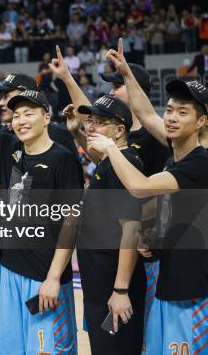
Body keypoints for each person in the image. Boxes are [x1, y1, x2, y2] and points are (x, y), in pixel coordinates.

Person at [0, 48, 82, 354]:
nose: (21, 120)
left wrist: (53, 278)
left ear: (47, 117)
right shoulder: (9, 144)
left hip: (45, 277)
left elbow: (70, 222)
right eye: (17, 114)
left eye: (29, 113)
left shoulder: (63, 159)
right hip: (9, 270)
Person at [88, 44, 208, 355]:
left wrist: (111, 149)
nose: (170, 117)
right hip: (171, 283)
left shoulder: (200, 162)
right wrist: (127, 73)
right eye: (169, 109)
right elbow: (144, 112)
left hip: (194, 290)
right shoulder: (176, 158)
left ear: (202, 122)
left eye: (183, 112)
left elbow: (140, 188)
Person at [71, 96, 147, 354]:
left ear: (120, 130)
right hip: (101, 285)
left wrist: (121, 290)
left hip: (113, 289)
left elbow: (131, 229)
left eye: (100, 123)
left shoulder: (120, 165)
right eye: (90, 121)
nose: (91, 127)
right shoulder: (112, 161)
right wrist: (77, 133)